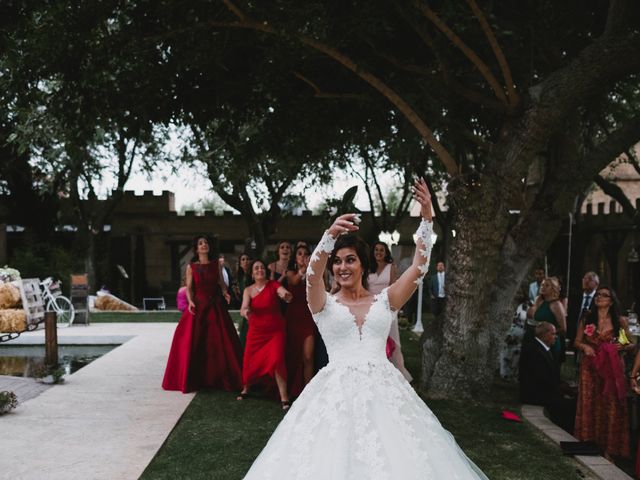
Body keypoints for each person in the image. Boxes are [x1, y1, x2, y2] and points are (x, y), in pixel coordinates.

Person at [242, 178, 488, 479]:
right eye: (337, 262)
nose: (342, 267)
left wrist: (426, 218)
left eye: (350, 260)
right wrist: (329, 236)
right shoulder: (323, 304)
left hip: (385, 396)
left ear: (363, 265)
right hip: (333, 396)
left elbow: (419, 267)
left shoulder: (386, 301)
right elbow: (311, 277)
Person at [162, 235, 242, 393]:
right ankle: (194, 378)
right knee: (194, 341)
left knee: (219, 342)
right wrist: (190, 302)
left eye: (205, 243)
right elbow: (189, 288)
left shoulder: (216, 264)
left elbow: (220, 282)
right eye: (200, 243)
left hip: (215, 305)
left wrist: (226, 293)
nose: (204, 245)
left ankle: (220, 377)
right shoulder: (191, 267)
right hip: (198, 306)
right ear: (196, 249)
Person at [573, 286, 632, 460]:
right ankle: (588, 442)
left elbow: (629, 343)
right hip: (590, 366)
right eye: (597, 295)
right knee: (590, 402)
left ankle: (609, 448)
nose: (599, 297)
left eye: (604, 295)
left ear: (611, 300)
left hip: (611, 368)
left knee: (610, 404)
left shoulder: (619, 321)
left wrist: (623, 346)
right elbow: (577, 341)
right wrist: (585, 346)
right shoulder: (587, 318)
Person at [238, 259, 293, 409]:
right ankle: (246, 388)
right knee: (249, 359)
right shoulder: (248, 290)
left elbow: (282, 292)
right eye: (256, 268)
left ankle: (284, 397)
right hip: (256, 331)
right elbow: (243, 307)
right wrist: (245, 311)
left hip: (275, 331)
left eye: (262, 267)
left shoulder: (273, 284)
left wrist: (285, 295)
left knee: (277, 359)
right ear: (252, 273)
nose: (260, 270)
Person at [518, 322, 576, 433]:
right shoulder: (534, 350)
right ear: (544, 335)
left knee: (569, 402)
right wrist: (563, 388)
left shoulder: (541, 348)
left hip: (543, 391)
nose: (556, 337)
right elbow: (542, 377)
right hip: (535, 395)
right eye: (553, 334)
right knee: (571, 405)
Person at [368, 241, 412, 382]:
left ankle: (399, 373)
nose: (379, 252)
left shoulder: (391, 267)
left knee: (393, 338)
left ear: (386, 252)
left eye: (382, 250)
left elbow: (394, 286)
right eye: (376, 250)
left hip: (386, 306)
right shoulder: (368, 268)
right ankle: (375, 373)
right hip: (369, 308)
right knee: (373, 341)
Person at [284, 244, 316, 398]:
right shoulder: (290, 272)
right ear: (295, 258)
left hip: (308, 316)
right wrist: (304, 268)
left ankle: (308, 392)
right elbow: (295, 281)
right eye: (300, 254)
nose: (303, 256)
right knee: (293, 354)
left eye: (305, 253)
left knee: (308, 356)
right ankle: (292, 388)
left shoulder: (314, 272)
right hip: (293, 317)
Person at [526, 277, 567, 364]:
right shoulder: (538, 300)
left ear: (553, 288)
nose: (543, 287)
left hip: (550, 342)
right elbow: (533, 318)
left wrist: (547, 333)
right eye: (542, 285)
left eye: (547, 285)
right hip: (537, 340)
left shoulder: (557, 305)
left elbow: (563, 328)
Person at [499, 288, 529, 381]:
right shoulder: (507, 302)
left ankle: (514, 375)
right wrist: (509, 334)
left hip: (521, 332)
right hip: (508, 330)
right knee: (505, 352)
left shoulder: (527, 305)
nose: (518, 294)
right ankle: (504, 374)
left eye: (520, 293)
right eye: (516, 292)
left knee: (517, 353)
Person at [566, 271, 598, 348]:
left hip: (591, 340)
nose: (586, 281)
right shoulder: (575, 298)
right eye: (584, 279)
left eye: (590, 279)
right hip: (573, 337)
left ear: (596, 284)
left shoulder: (599, 299)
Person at [234, 253, 252, 345]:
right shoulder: (238, 278)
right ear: (240, 263)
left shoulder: (254, 277)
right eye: (243, 259)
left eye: (247, 259)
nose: (245, 261)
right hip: (242, 309)